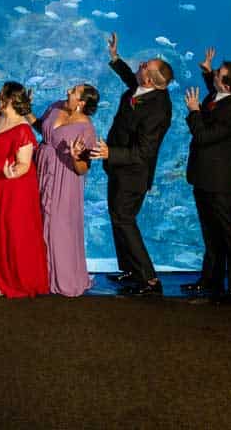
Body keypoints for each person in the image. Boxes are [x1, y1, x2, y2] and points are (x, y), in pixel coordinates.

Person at [91, 32, 173, 298]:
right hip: (118, 168)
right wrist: (116, 58)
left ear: (149, 79)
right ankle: (129, 270)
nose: (140, 65)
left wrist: (109, 152)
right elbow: (131, 79)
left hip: (133, 173)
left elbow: (144, 152)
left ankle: (149, 279)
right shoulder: (143, 88)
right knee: (117, 218)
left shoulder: (159, 109)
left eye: (144, 67)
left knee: (125, 220)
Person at [182, 47, 231, 303]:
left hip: (222, 181)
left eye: (218, 75)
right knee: (211, 233)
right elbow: (216, 97)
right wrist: (208, 71)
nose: (214, 78)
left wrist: (194, 111)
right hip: (204, 177)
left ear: (228, 84)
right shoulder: (224, 95)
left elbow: (203, 136)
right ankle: (209, 279)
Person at [29, 83, 99, 297]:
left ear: (82, 102)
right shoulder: (56, 106)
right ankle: (41, 276)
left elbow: (83, 169)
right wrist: (26, 111)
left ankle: (64, 278)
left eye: (74, 91)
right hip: (42, 169)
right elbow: (43, 128)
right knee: (39, 221)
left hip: (65, 177)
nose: (68, 91)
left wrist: (77, 156)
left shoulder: (87, 130)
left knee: (60, 226)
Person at [0, 81, 49, 298]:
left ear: (10, 98)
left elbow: (24, 164)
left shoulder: (22, 129)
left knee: (13, 231)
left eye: (2, 95)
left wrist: (13, 173)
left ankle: (18, 279)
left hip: (13, 188)